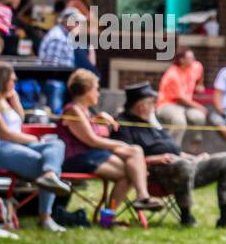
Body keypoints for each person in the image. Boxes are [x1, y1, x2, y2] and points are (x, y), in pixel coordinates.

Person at [0, 64, 72, 232]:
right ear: (2, 81)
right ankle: (45, 216)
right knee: (43, 163)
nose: (15, 83)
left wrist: (14, 98)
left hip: (15, 148)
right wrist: (33, 139)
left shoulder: (6, 102)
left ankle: (50, 175)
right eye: (12, 80)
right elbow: (3, 134)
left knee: (57, 144)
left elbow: (20, 119)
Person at [113, 83, 226, 227]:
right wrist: (154, 159)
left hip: (181, 162)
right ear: (141, 106)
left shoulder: (151, 122)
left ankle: (225, 218)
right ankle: (186, 217)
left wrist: (192, 157)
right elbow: (125, 156)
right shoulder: (123, 125)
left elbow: (171, 149)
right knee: (182, 165)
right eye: (152, 103)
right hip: (159, 174)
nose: (154, 107)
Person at [58, 68, 162, 214]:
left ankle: (120, 210)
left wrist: (100, 121)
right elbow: (91, 140)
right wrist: (120, 144)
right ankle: (136, 200)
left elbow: (100, 136)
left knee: (134, 161)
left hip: (92, 155)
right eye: (96, 89)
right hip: (77, 158)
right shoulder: (73, 111)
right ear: (87, 89)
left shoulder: (87, 112)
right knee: (131, 169)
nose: (98, 93)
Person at [36, 8, 93, 113]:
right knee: (54, 114)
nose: (79, 26)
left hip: (59, 83)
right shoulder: (58, 37)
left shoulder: (64, 35)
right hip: (55, 84)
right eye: (76, 22)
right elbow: (51, 66)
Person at [156, 47, 209, 145]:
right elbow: (180, 99)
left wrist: (200, 84)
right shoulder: (172, 74)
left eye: (193, 57)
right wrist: (199, 106)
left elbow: (200, 75)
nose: (193, 60)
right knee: (179, 121)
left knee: (199, 117)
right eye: (190, 58)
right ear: (181, 60)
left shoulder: (196, 66)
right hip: (167, 104)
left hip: (185, 105)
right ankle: (171, 148)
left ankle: (195, 142)